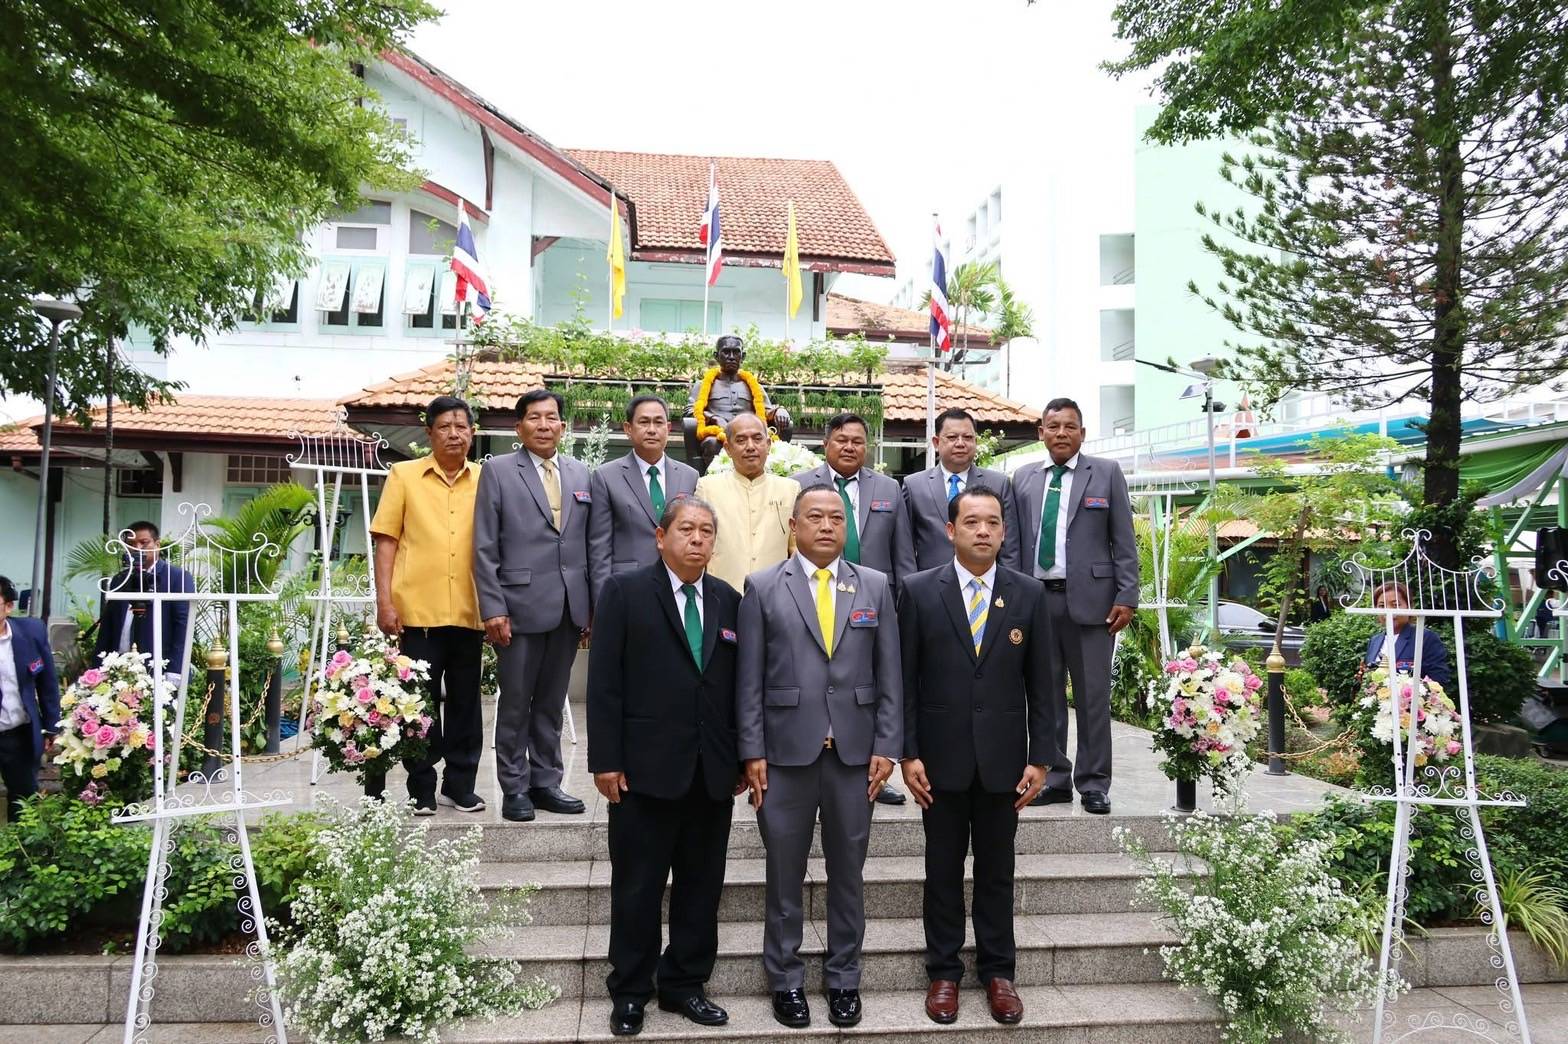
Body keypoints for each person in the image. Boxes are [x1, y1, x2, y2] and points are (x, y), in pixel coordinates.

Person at [737, 485, 902, 1030]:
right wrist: (751, 750)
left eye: (836, 517)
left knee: (848, 872)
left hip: (855, 757)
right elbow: (749, 680)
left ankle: (843, 978)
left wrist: (887, 746)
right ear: (794, 525)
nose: (827, 526)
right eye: (815, 517)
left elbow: (890, 676)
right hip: (784, 755)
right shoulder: (763, 587)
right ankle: (784, 978)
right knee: (783, 871)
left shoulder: (874, 584)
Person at [897, 487, 1054, 1026]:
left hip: (1004, 763)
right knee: (941, 869)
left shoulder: (1028, 594)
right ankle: (943, 972)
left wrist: (1043, 758)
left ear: (1004, 531)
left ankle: (998, 972)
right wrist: (907, 751)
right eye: (971, 522)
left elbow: (1045, 683)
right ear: (951, 530)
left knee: (996, 871)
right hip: (937, 762)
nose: (982, 531)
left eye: (992, 522)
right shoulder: (918, 591)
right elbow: (906, 680)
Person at [588, 496, 741, 1037]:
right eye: (687, 529)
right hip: (642, 772)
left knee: (702, 886)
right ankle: (630, 990)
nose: (697, 539)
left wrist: (742, 756)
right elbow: (604, 683)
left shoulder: (728, 600)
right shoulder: (626, 592)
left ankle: (684, 985)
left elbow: (737, 688)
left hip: (711, 773)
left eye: (706, 531)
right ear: (661, 536)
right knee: (638, 886)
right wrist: (605, 760)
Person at [1010, 398, 1137, 814]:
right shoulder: (1024, 478)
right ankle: (1056, 777)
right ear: (1040, 432)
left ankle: (1094, 782)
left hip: (1095, 605)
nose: (1061, 433)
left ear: (1082, 432)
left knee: (1092, 698)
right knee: (1044, 697)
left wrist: (1127, 595)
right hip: (1036, 602)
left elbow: (1124, 540)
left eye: (1070, 426)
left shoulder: (1106, 473)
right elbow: (1013, 545)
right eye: (1053, 426)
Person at [474, 388, 593, 823]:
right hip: (517, 607)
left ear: (563, 425)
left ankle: (547, 782)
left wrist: (590, 606)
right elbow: (484, 546)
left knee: (551, 700)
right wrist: (493, 608)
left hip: (568, 607)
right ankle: (515, 787)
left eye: (552, 417)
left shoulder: (582, 473)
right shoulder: (500, 472)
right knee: (516, 701)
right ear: (518, 426)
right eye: (535, 418)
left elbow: (588, 544)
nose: (544, 425)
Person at [367, 395, 486, 815]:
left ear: (472, 433)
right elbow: (386, 540)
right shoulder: (404, 475)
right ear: (429, 433)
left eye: (462, 426)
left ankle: (461, 785)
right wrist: (384, 601)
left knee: (466, 705)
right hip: (416, 613)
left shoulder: (485, 480)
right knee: (418, 705)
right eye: (445, 427)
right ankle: (421, 789)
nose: (455, 434)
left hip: (471, 612)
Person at [791, 411, 916, 806]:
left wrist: (902, 607)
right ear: (826, 444)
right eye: (842, 439)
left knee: (876, 683)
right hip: (816, 600)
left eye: (858, 441)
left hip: (872, 603)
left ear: (869, 446)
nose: (850, 447)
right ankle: (803, 764)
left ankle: (877, 766)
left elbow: (902, 553)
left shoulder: (889, 489)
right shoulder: (798, 485)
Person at [588, 396, 699, 606]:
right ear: (628, 428)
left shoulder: (689, 476)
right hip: (627, 588)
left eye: (658, 422)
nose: (651, 429)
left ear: (668, 427)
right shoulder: (606, 476)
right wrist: (602, 603)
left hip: (680, 587)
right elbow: (599, 548)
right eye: (643, 422)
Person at [902, 408, 1021, 572]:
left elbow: (1010, 547)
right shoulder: (914, 485)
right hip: (930, 588)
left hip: (985, 585)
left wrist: (1009, 590)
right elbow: (904, 548)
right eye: (952, 437)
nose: (960, 443)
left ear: (975, 442)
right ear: (936, 442)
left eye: (967, 437)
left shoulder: (998, 483)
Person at [694, 414, 797, 591]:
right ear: (727, 448)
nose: (750, 446)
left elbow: (796, 551)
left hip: (774, 595)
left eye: (757, 439)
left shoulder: (790, 489)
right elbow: (698, 547)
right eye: (741, 440)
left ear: (768, 445)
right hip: (721, 595)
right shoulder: (707, 488)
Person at [94, 520, 195, 683]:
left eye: (144, 542)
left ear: (157, 544)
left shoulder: (177, 577)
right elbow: (107, 627)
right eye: (132, 544)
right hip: (119, 668)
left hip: (158, 669)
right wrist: (98, 668)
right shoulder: (119, 580)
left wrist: (175, 671)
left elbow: (184, 625)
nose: (138, 548)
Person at [684, 336, 793, 472]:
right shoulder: (703, 384)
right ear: (716, 356)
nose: (731, 357)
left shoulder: (753, 386)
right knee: (712, 443)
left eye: (736, 352)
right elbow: (690, 411)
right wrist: (715, 418)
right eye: (726, 352)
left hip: (749, 436)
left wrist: (779, 411)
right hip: (717, 435)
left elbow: (766, 411)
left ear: (743, 356)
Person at [0, 576, 60, 822]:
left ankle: (21, 853)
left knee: (24, 800)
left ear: (8, 606)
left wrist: (51, 726)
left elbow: (47, 683)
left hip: (19, 732)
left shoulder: (32, 632)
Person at [1365, 580, 1453, 687]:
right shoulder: (1374, 641)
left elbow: (1439, 680)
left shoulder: (1424, 637)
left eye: (1395, 604)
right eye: (1382, 606)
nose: (1388, 611)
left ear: (1409, 606)